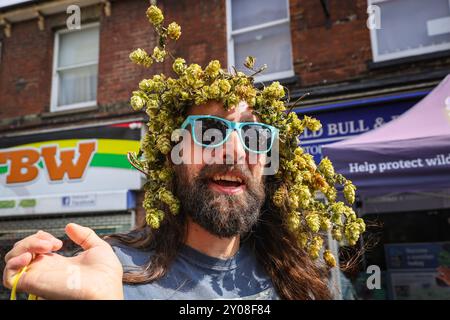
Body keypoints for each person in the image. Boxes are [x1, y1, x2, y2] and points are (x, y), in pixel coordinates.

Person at [2, 5, 364, 300]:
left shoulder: (313, 281)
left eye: (254, 134)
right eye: (209, 131)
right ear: (173, 152)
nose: (234, 151)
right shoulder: (113, 273)